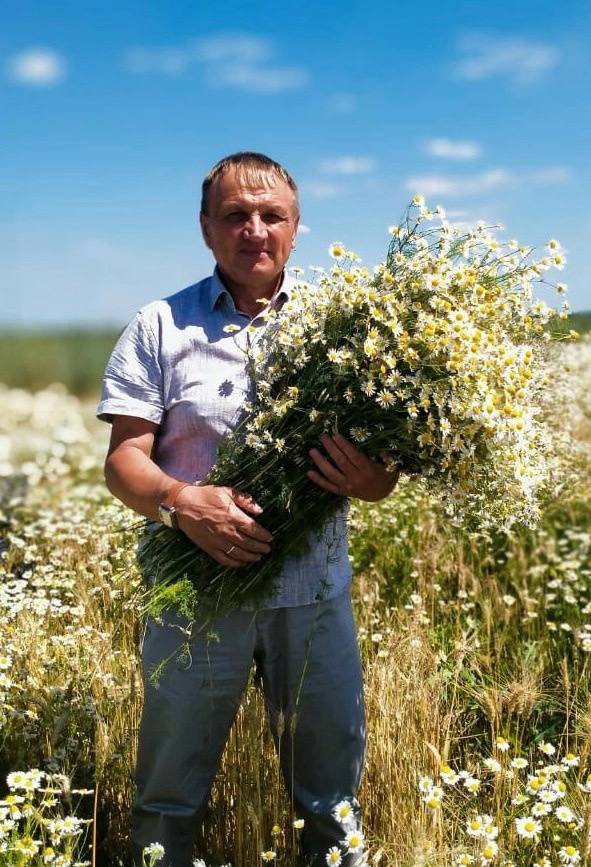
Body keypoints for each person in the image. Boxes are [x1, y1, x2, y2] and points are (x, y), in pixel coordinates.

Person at [97, 152, 400, 867]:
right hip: (195, 592)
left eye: (272, 216)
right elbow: (123, 461)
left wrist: (368, 478)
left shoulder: (351, 326)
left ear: (296, 229)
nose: (254, 229)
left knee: (330, 796)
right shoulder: (160, 324)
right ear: (206, 228)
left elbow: (382, 479)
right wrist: (179, 502)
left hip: (313, 593)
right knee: (169, 794)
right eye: (235, 215)